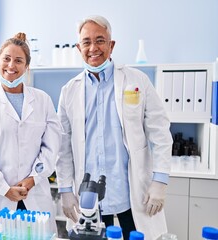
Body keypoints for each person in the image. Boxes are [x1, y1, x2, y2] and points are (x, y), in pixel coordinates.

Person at [56, 15, 173, 240]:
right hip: (89, 196)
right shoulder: (69, 91)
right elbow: (63, 146)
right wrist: (65, 190)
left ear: (111, 45)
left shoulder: (136, 80)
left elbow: (160, 131)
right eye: (86, 42)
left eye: (100, 40)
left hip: (131, 192)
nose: (93, 48)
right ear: (78, 47)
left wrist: (160, 180)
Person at [0, 32, 61, 232]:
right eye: (7, 59)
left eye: (19, 60)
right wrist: (5, 189)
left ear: (27, 67)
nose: (11, 65)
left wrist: (32, 179)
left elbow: (51, 147)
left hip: (33, 194)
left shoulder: (43, 100)